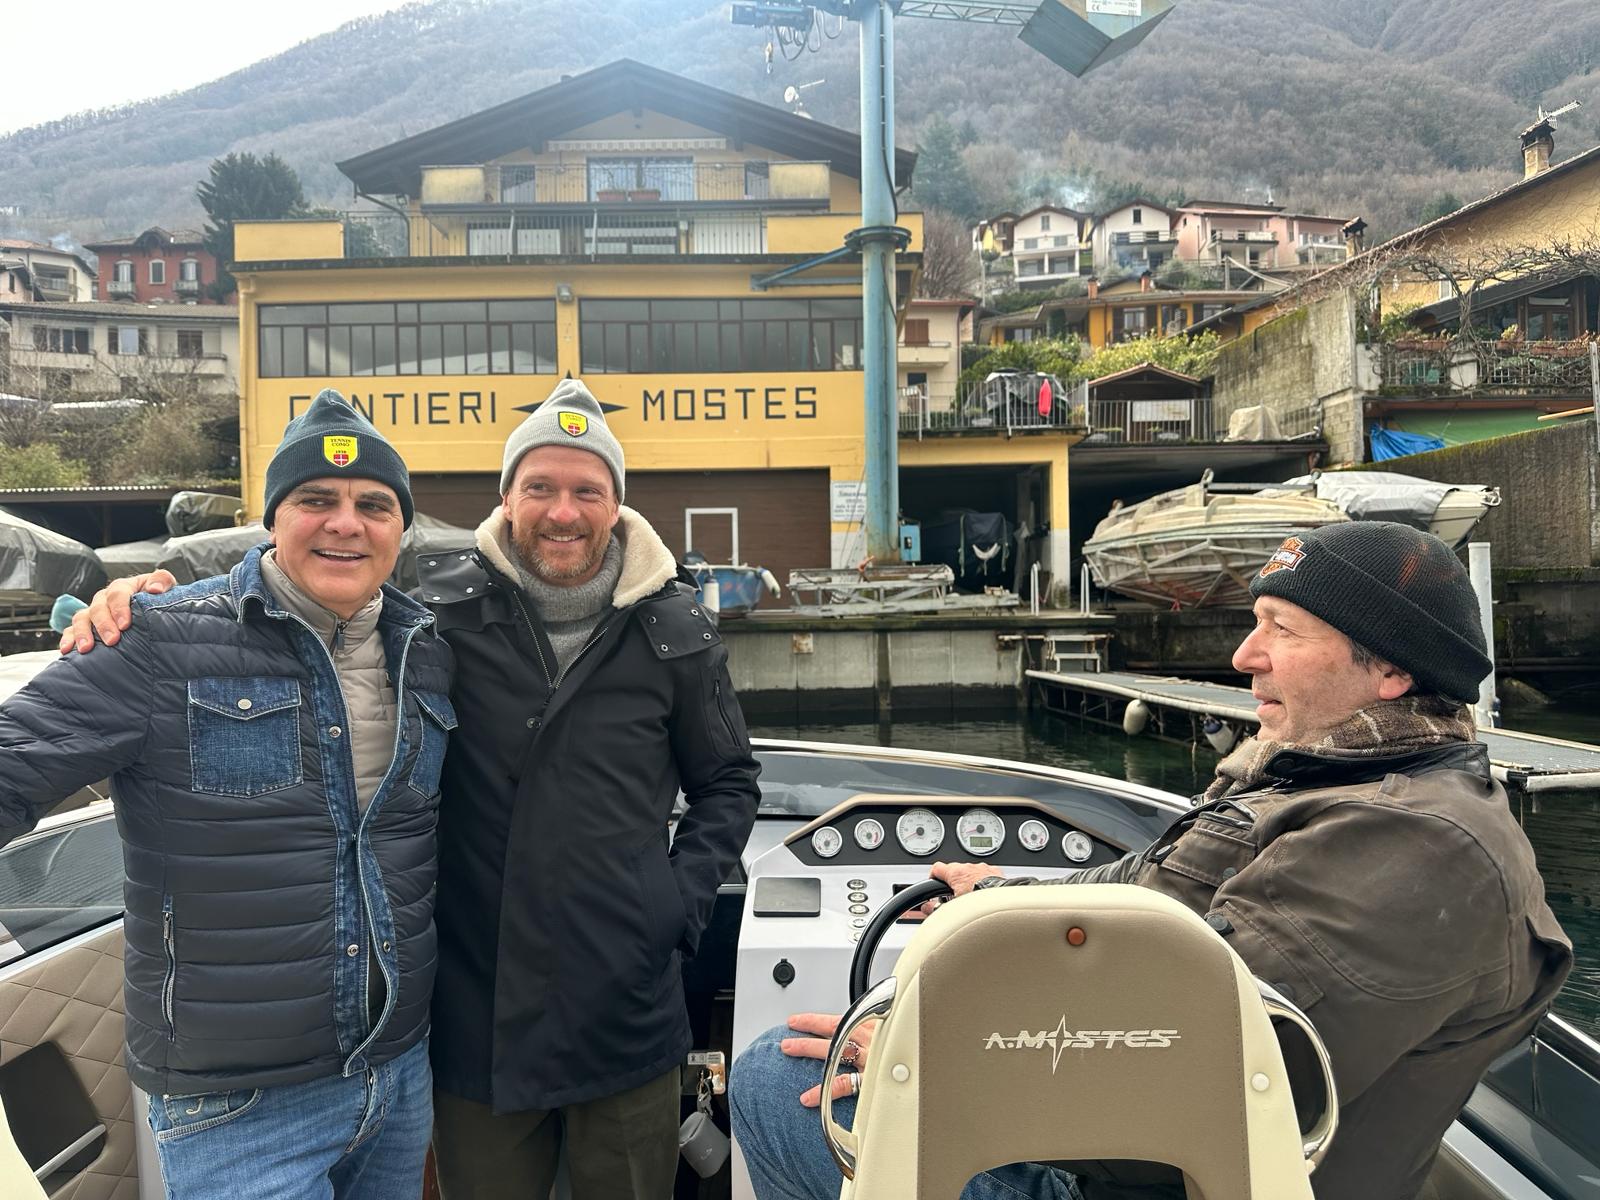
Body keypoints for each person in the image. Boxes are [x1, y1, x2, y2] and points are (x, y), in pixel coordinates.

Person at [731, 522, 1572, 1200]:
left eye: (1280, 629)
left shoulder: (1421, 850)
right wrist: (999, 891)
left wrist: (927, 1063)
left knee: (774, 1079)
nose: (1243, 656)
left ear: (1389, 669)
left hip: (1151, 1176)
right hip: (1136, 1154)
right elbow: (1150, 892)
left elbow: (1185, 1071)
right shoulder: (1327, 781)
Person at [70, 378, 762, 1200]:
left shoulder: (677, 632)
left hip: (628, 1006)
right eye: (539, 486)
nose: (563, 511)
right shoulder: (434, 618)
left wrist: (674, 905)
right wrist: (151, 606)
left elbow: (728, 781)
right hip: (474, 1012)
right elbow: (312, 599)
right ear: (506, 497)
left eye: (588, 490)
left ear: (617, 505)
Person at [4, 389, 453, 1199]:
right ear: (273, 519)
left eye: (373, 505)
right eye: (316, 499)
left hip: (397, 1073)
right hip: (240, 1108)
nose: (346, 523)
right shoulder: (155, 642)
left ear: (400, 528)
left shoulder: (426, 652)